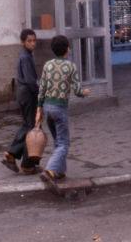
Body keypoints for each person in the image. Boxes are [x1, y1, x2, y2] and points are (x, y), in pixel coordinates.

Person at [36, 35, 90, 193]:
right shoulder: (71, 67)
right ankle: (49, 170)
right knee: (64, 143)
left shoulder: (47, 65)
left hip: (47, 107)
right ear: (67, 48)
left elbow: (42, 88)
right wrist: (85, 92)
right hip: (60, 109)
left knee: (58, 141)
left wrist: (39, 108)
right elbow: (78, 91)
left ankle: (59, 171)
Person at [2, 28, 40, 175]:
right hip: (28, 95)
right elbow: (30, 81)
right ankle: (23, 162)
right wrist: (39, 96)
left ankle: (20, 160)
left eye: (34, 40)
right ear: (22, 42)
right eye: (29, 41)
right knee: (31, 128)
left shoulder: (26, 55)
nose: (32, 43)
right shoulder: (25, 57)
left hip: (24, 94)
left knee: (29, 126)